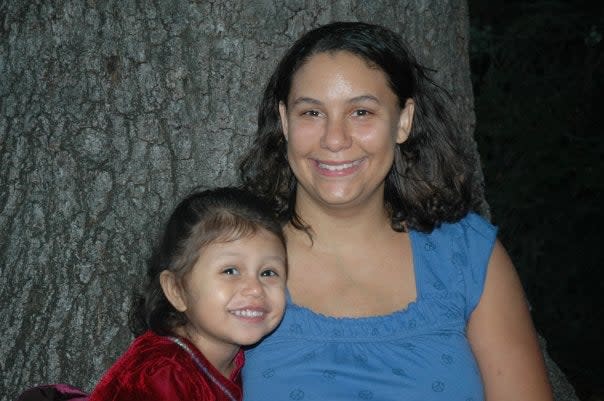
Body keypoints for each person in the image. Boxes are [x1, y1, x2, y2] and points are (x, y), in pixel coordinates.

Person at [239, 22, 553, 400]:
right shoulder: (229, 258)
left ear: (403, 121)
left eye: (361, 112)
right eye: (312, 113)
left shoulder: (465, 255)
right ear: (285, 121)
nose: (334, 139)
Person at [88, 187, 287, 401]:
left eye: (268, 272)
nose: (255, 288)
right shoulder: (161, 375)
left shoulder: (254, 358)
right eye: (230, 271)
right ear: (177, 290)